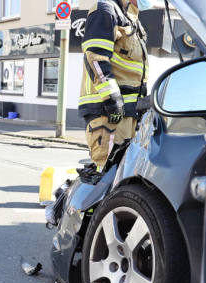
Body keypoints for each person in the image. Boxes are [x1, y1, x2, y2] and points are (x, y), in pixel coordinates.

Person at [79, 0, 151, 170]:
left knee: (123, 177)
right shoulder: (105, 10)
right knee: (106, 174)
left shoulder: (133, 20)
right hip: (108, 114)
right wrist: (112, 98)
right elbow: (95, 57)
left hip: (129, 114)